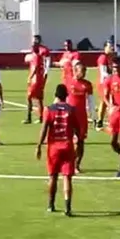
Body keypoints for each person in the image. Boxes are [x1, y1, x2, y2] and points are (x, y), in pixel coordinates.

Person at [35, 84, 80, 217]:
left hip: (53, 147)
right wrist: (80, 142)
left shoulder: (49, 109)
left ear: (55, 95)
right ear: (66, 95)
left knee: (53, 176)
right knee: (67, 178)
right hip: (67, 146)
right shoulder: (71, 110)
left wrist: (38, 145)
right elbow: (77, 129)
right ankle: (67, 207)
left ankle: (51, 204)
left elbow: (44, 128)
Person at [66, 61, 96, 173]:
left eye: (85, 71)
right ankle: (68, 162)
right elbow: (62, 98)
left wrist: (93, 116)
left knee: (80, 141)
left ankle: (77, 164)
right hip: (69, 116)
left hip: (81, 117)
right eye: (81, 70)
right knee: (68, 141)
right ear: (75, 70)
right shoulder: (68, 82)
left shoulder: (87, 85)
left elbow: (91, 101)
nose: (83, 73)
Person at [24, 36, 50, 124]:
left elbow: (35, 68)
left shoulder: (36, 56)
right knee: (39, 98)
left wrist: (29, 77)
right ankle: (41, 117)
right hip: (39, 78)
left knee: (29, 97)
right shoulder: (37, 55)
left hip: (35, 80)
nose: (32, 45)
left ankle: (28, 117)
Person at [94, 41, 114, 130]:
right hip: (104, 83)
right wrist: (113, 76)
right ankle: (101, 121)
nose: (112, 48)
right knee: (107, 102)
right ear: (105, 47)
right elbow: (103, 73)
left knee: (105, 103)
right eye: (110, 47)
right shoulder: (103, 58)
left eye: (112, 46)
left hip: (109, 82)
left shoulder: (110, 57)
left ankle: (101, 121)